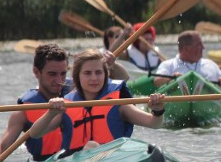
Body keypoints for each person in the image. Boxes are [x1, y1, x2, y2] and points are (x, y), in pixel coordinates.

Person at [29, 49, 166, 155]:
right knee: (91, 146)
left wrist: (158, 110)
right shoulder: (67, 105)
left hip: (112, 159)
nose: (94, 78)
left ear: (105, 75)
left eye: (99, 72)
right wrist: (51, 113)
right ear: (78, 76)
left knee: (92, 146)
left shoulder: (119, 104)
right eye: (87, 73)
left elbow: (154, 123)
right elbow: (35, 133)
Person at [0, 44, 72, 162]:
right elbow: (1, 146)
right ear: (36, 72)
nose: (59, 80)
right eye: (52, 74)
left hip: (75, 159)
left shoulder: (77, 93)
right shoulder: (24, 111)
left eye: (63, 74)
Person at [153, 30, 221, 93]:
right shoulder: (168, 65)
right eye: (199, 45)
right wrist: (171, 80)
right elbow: (157, 82)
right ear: (186, 49)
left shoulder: (211, 65)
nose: (203, 47)